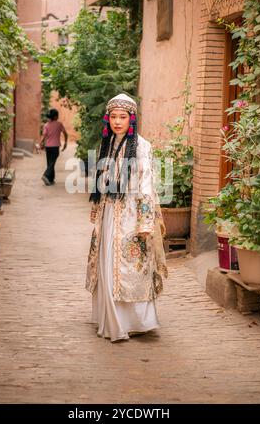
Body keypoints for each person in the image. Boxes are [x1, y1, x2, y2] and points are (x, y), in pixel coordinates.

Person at [86, 93, 168, 342]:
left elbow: (146, 185)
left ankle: (133, 321)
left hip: (131, 216)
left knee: (130, 268)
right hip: (109, 213)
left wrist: (145, 223)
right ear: (107, 119)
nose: (117, 121)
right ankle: (110, 318)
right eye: (113, 117)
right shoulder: (106, 144)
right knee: (106, 264)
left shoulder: (142, 146)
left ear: (131, 119)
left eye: (123, 117)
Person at [40, 109, 68, 186]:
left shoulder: (46, 125)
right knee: (52, 163)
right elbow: (65, 133)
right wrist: (65, 142)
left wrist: (41, 143)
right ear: (55, 116)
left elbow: (44, 136)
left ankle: (51, 179)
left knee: (50, 163)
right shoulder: (59, 124)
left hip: (48, 147)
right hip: (55, 147)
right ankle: (45, 175)